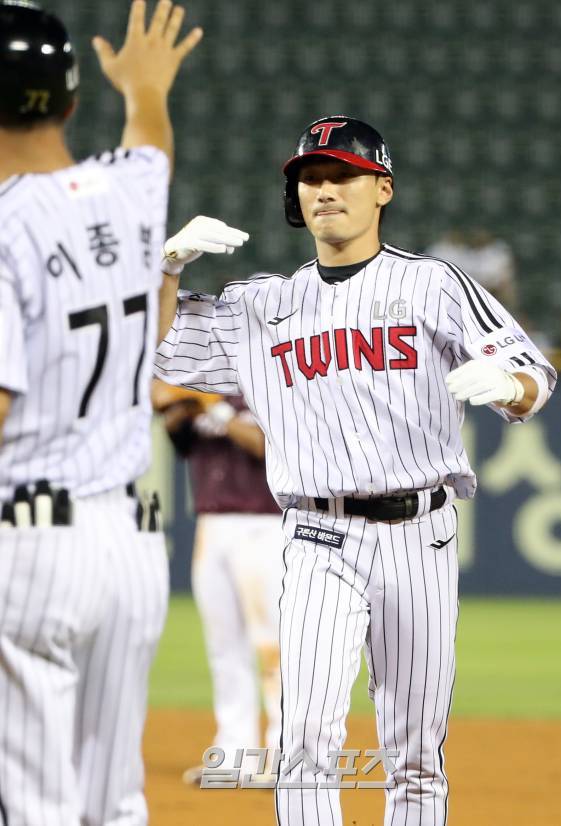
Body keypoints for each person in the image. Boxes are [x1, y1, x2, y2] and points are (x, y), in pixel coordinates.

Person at [153, 116, 557, 825]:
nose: (324, 189)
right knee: (305, 737)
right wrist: (163, 271)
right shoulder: (261, 306)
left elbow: (534, 371)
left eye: (342, 175)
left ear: (382, 189)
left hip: (422, 534)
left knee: (415, 753)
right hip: (316, 536)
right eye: (310, 178)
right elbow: (155, 353)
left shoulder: (432, 283)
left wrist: (509, 386)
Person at [0, 2, 207, 824]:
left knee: (34, 808)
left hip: (29, 547)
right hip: (130, 545)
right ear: (71, 102)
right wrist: (146, 86)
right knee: (114, 802)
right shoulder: (131, 190)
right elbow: (153, 142)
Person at [151, 380, 283, 784]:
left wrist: (213, 408)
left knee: (274, 649)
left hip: (266, 525)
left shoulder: (269, 380)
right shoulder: (201, 378)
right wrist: (177, 412)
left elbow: (266, 447)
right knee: (224, 646)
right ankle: (232, 753)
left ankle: (287, 753)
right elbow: (184, 442)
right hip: (212, 524)